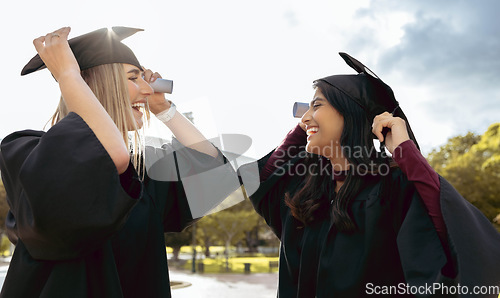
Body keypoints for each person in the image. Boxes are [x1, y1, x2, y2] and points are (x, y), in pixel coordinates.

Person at [0, 27, 236, 297]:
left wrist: (165, 111)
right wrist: (68, 74)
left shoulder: (143, 172)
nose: (148, 89)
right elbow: (108, 157)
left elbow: (216, 173)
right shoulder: (25, 151)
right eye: (134, 78)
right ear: (93, 84)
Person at [241, 52, 500, 297]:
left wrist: (406, 153)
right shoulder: (308, 190)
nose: (304, 118)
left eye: (316, 105)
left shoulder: (392, 186)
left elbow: (455, 240)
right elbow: (261, 181)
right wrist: (306, 128)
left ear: (351, 111)